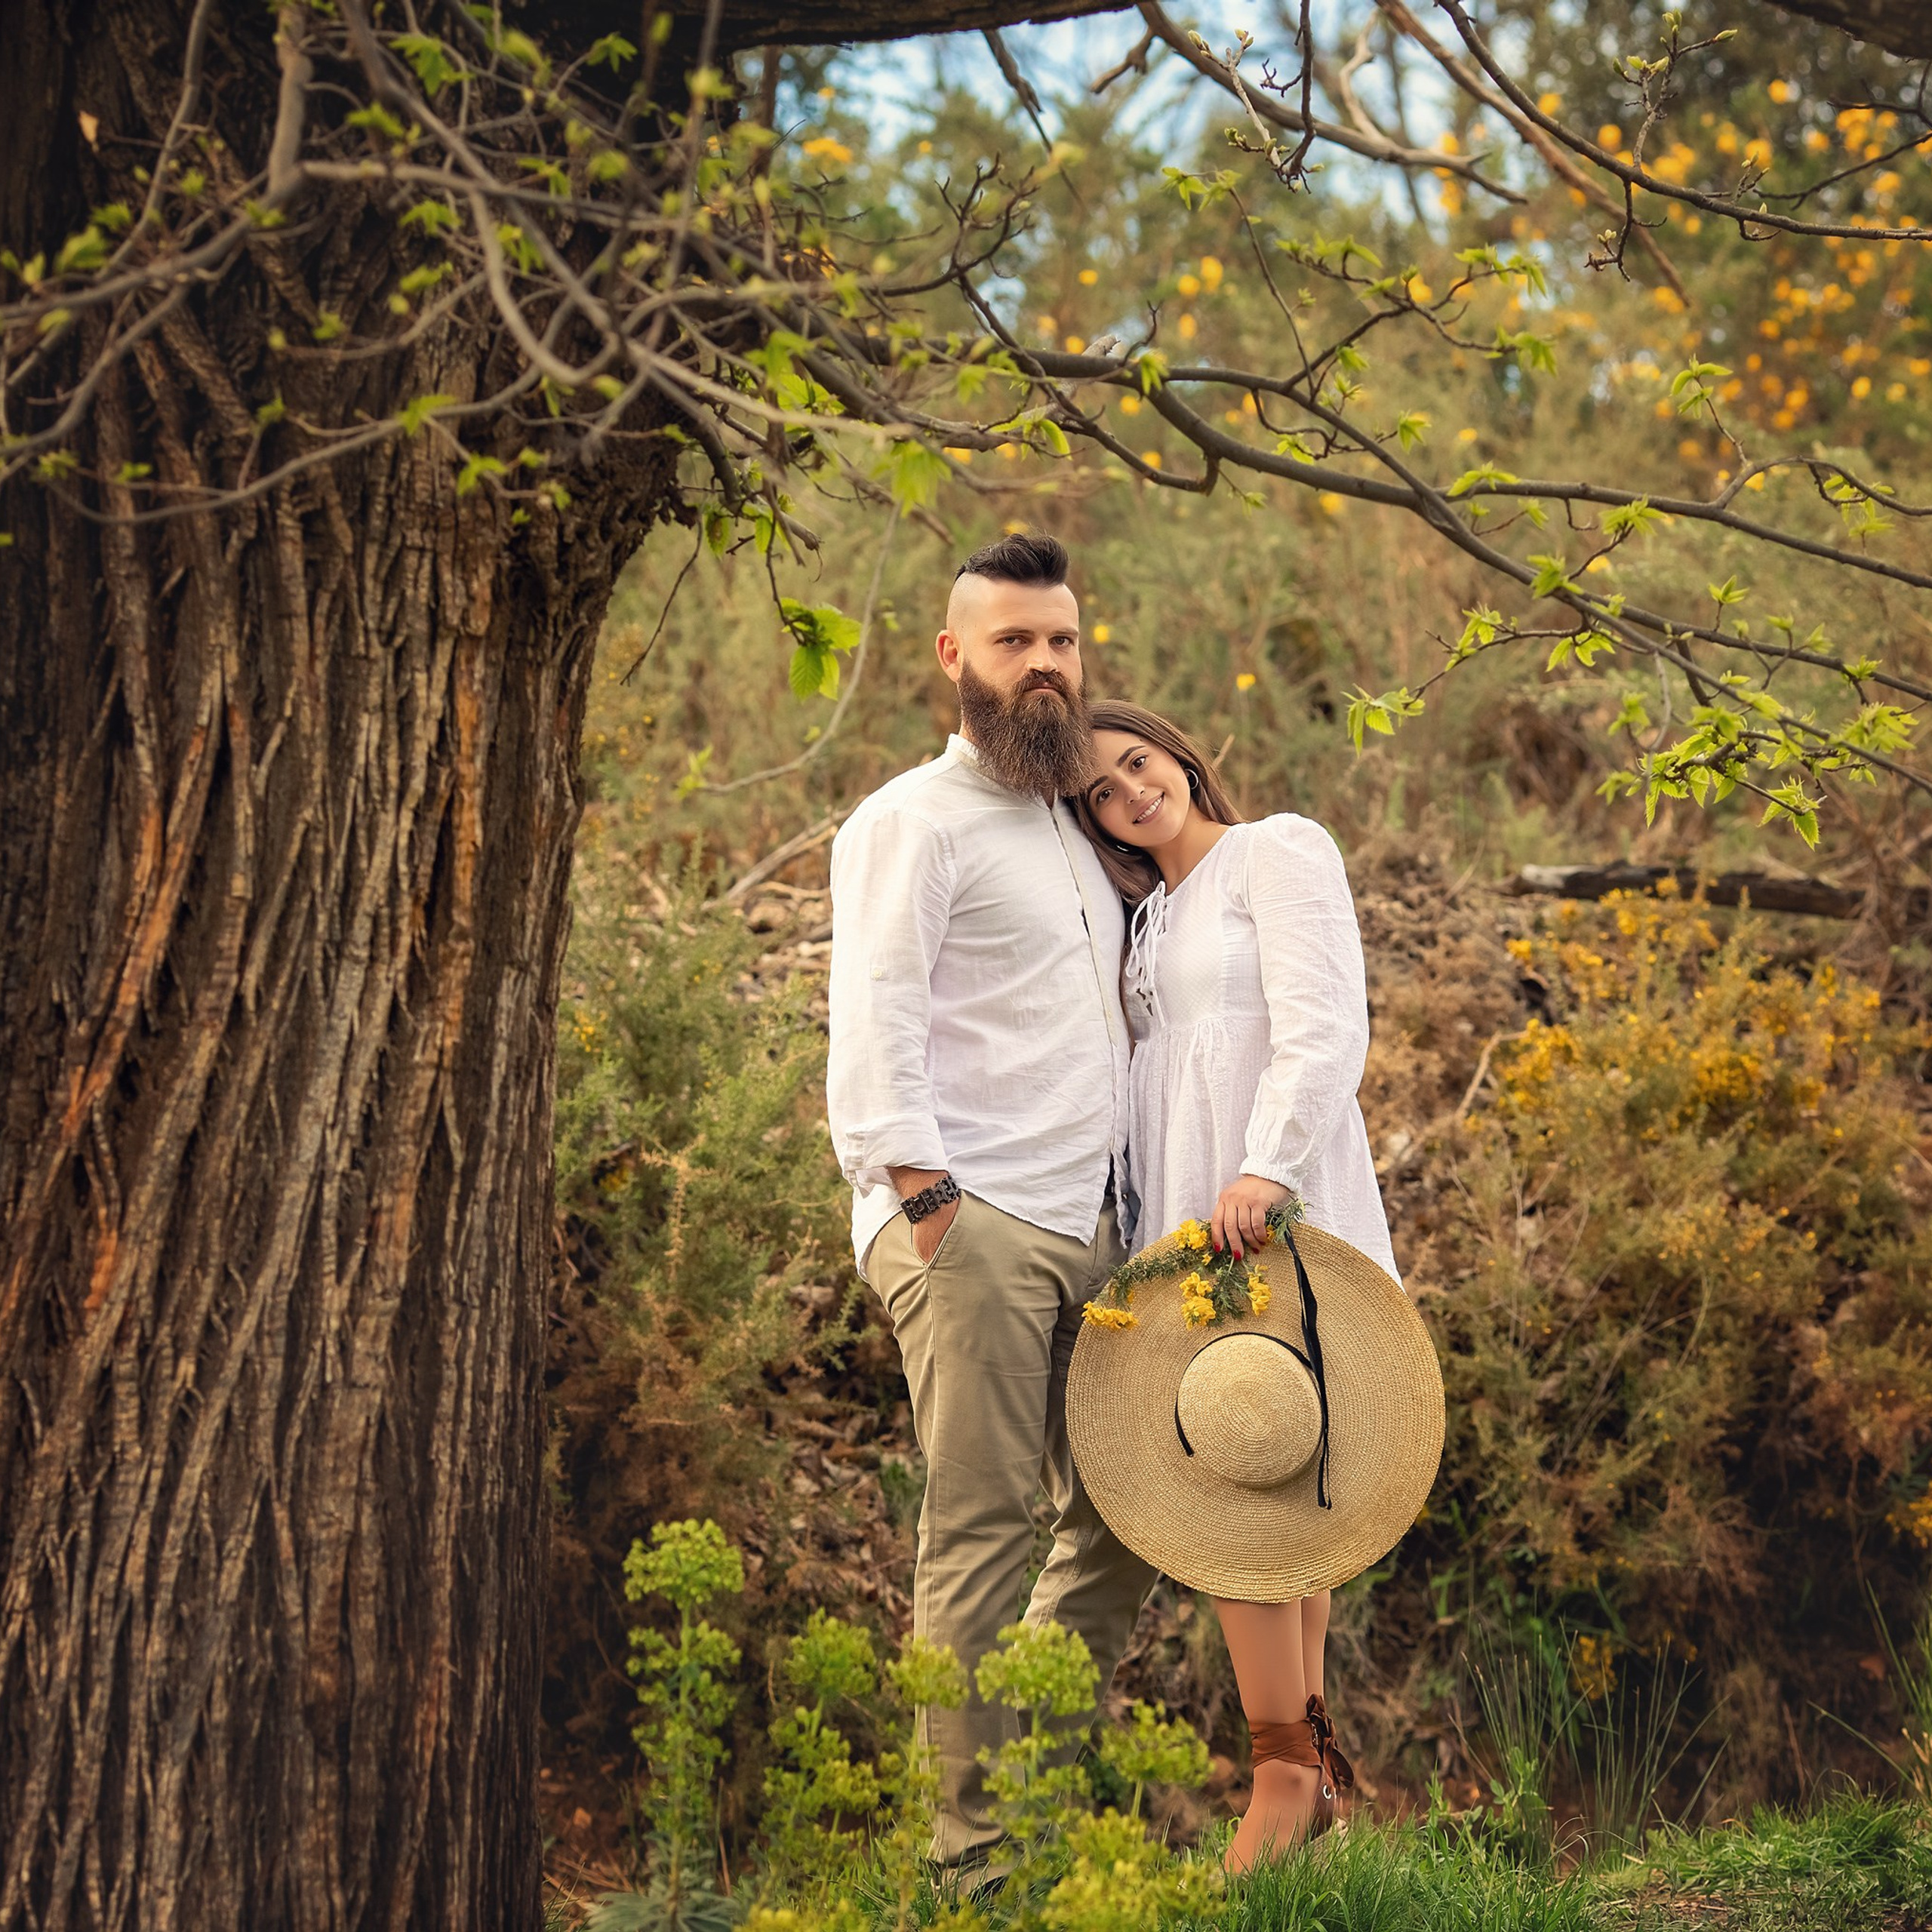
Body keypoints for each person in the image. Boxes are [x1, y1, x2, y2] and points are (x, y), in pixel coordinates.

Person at [825, 534, 1155, 1875]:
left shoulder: (1073, 829)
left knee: (1132, 1519)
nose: (1044, 666)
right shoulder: (914, 818)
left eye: (1062, 642)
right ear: (955, 657)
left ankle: (1033, 1802)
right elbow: (878, 1011)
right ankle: (971, 1868)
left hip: (1098, 1226)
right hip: (973, 1222)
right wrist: (922, 1195)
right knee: (980, 1535)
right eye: (1015, 641)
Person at [1071, 698, 1400, 1870]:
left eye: (1138, 765)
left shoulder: (1277, 851)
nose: (1129, 796)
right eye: (1102, 794)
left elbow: (1323, 1028)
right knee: (1251, 1465)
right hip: (1182, 1227)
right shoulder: (1146, 916)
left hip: (1268, 1203)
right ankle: (1305, 1771)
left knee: (1271, 1468)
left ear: (1179, 752)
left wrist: (1265, 1169)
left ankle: (1281, 1775)